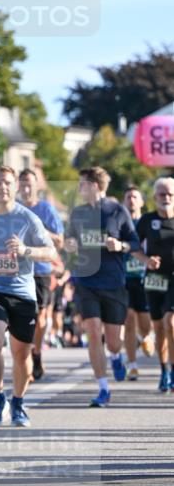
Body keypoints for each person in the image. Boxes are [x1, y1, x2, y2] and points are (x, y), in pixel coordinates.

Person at [0, 165, 56, 428]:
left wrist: (26, 250)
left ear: (15, 186)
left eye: (8, 182)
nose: (3, 187)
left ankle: (17, 401)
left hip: (21, 293)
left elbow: (50, 252)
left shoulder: (27, 218)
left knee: (21, 355)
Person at [64, 167, 142, 407]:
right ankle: (103, 388)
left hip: (113, 282)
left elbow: (134, 242)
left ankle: (117, 356)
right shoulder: (77, 214)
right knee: (93, 332)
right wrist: (70, 245)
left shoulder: (117, 211)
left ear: (95, 186)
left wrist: (119, 245)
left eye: (83, 184)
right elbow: (68, 242)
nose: (79, 189)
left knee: (113, 341)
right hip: (86, 282)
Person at [17, 169, 65, 379]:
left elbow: (60, 242)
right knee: (22, 317)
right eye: (23, 183)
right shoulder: (14, 210)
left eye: (30, 183)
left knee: (41, 318)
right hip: (18, 270)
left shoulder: (46, 210)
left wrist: (43, 232)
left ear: (37, 186)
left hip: (42, 270)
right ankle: (25, 358)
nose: (26, 188)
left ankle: (36, 353)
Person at [136, 176, 174, 392]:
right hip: (154, 279)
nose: (166, 198)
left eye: (170, 194)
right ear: (155, 197)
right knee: (158, 327)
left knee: (171, 323)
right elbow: (134, 246)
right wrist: (146, 261)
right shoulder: (147, 220)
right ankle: (164, 370)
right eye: (162, 194)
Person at [122, 186, 154, 379]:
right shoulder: (120, 224)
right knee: (128, 319)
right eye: (128, 197)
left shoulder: (148, 223)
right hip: (124, 278)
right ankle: (132, 365)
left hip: (145, 277)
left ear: (141, 202)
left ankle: (146, 336)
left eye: (135, 197)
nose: (131, 200)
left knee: (144, 321)